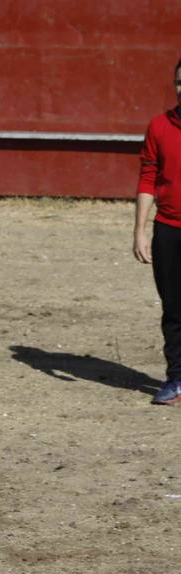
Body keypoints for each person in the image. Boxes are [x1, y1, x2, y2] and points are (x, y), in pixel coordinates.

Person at [133, 57, 181, 406]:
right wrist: (140, 229)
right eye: (180, 82)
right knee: (174, 308)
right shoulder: (159, 126)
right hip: (169, 229)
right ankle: (177, 378)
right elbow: (148, 177)